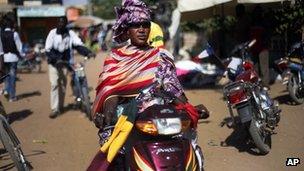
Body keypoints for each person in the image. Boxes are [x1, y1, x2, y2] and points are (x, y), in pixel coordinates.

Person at [87, 0, 208, 170]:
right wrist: (108, 114)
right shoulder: (115, 58)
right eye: (136, 25)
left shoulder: (161, 57)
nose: (142, 29)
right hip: (127, 122)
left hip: (161, 119)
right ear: (127, 30)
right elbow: (110, 92)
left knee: (192, 153)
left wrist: (189, 108)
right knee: (116, 159)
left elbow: (172, 88)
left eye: (145, 24)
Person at [45, 16, 94, 119]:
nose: (61, 24)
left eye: (63, 22)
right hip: (54, 63)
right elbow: (48, 50)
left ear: (66, 24)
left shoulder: (70, 33)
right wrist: (56, 59)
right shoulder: (52, 33)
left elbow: (78, 45)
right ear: (57, 23)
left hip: (65, 63)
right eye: (59, 22)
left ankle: (60, 106)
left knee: (63, 85)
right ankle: (55, 109)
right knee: (54, 84)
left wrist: (88, 52)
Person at [1, 13, 23, 102]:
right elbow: (19, 47)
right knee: (13, 77)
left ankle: (6, 90)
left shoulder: (1, 34)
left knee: (6, 76)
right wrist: (21, 55)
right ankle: (12, 97)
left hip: (4, 58)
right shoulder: (15, 34)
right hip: (13, 58)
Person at [249, 5, 270, 89]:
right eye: (255, 12)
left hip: (263, 48)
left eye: (258, 12)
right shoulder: (252, 23)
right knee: (255, 68)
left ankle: (265, 85)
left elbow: (267, 35)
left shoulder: (264, 22)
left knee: (264, 68)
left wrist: (265, 42)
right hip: (254, 49)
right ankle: (257, 84)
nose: (256, 14)